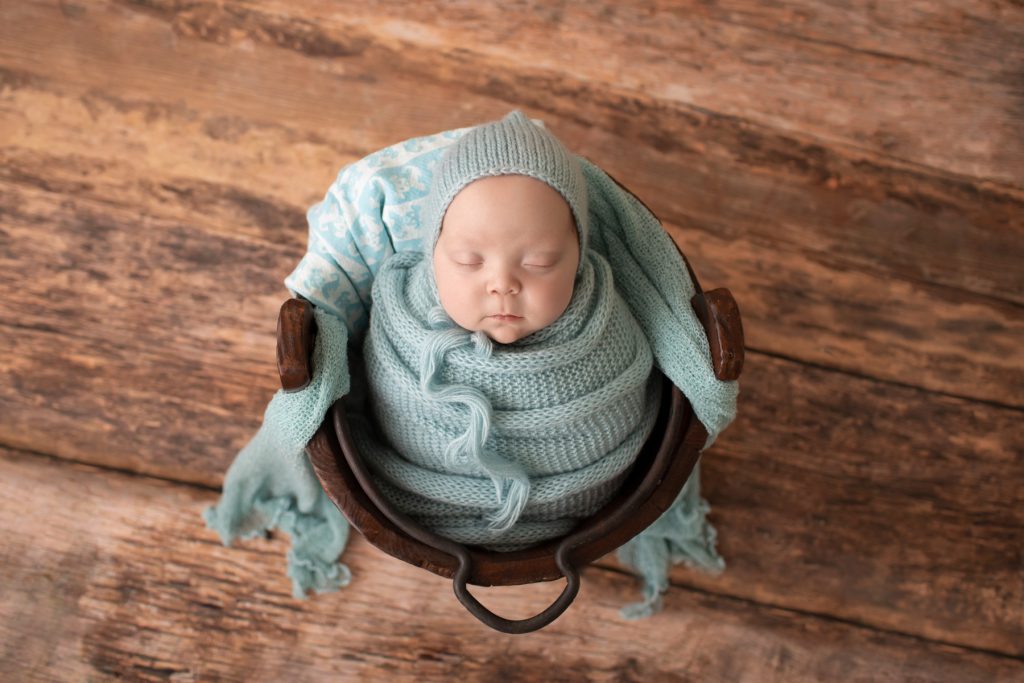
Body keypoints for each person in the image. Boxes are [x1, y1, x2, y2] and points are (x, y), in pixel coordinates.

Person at [351, 111, 661, 550]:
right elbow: (378, 402)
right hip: (414, 521)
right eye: (467, 261)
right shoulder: (402, 318)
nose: (502, 283)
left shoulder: (606, 329)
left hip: (586, 527)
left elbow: (627, 426)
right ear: (432, 252)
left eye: (538, 263)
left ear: (580, 257)